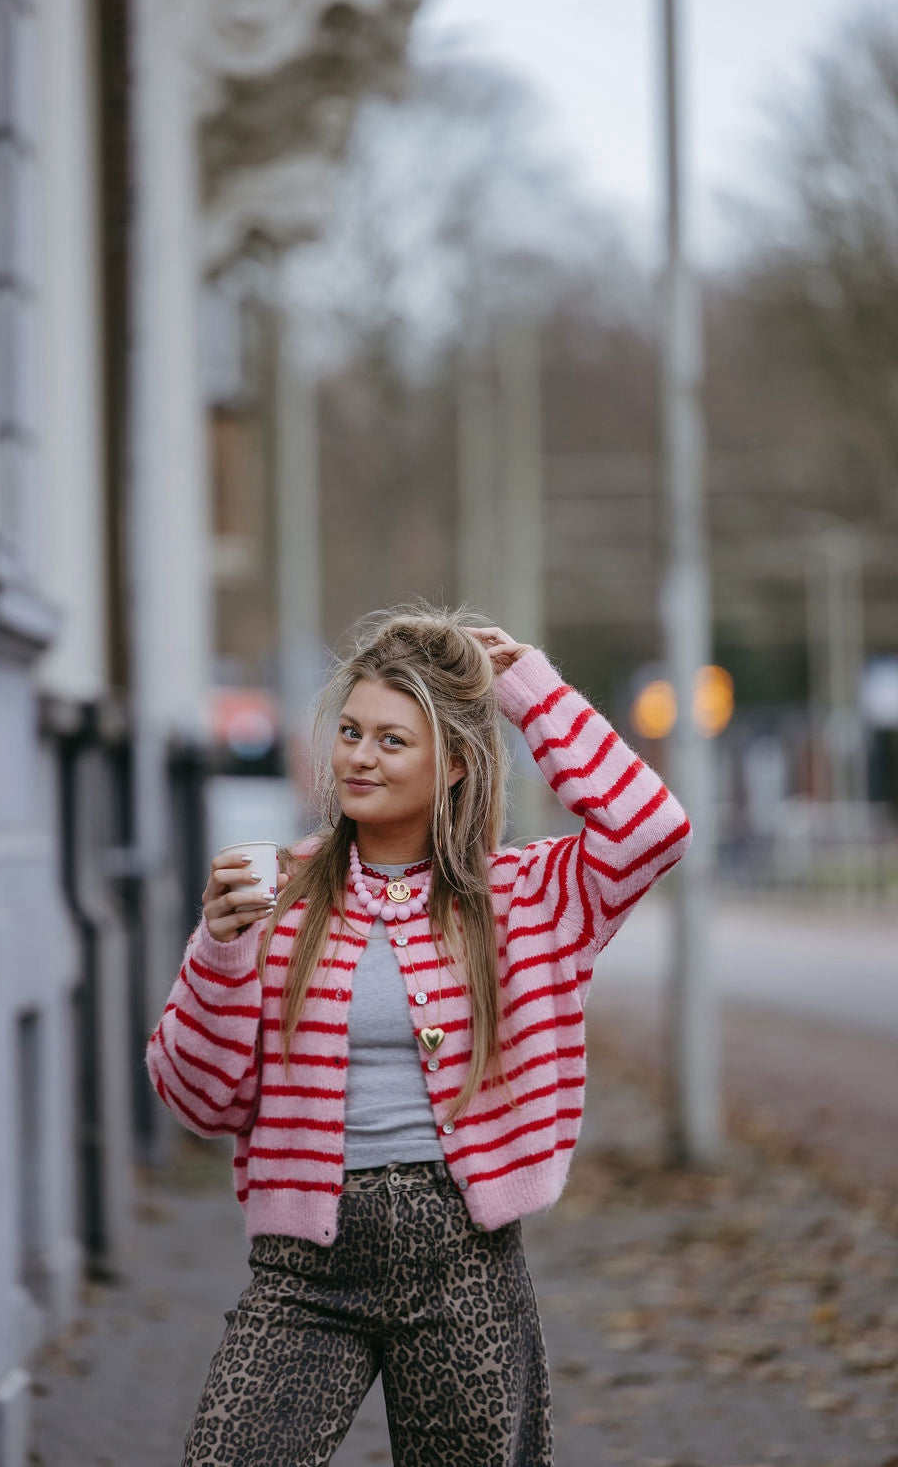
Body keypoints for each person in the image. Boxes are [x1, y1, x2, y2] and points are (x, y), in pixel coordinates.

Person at [147, 606, 691, 1467]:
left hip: (466, 1266)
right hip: (305, 1273)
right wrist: (220, 950)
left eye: (392, 740)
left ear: (455, 763)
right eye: (350, 732)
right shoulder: (279, 895)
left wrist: (530, 691)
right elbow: (199, 1101)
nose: (359, 757)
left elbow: (650, 827)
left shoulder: (526, 899)